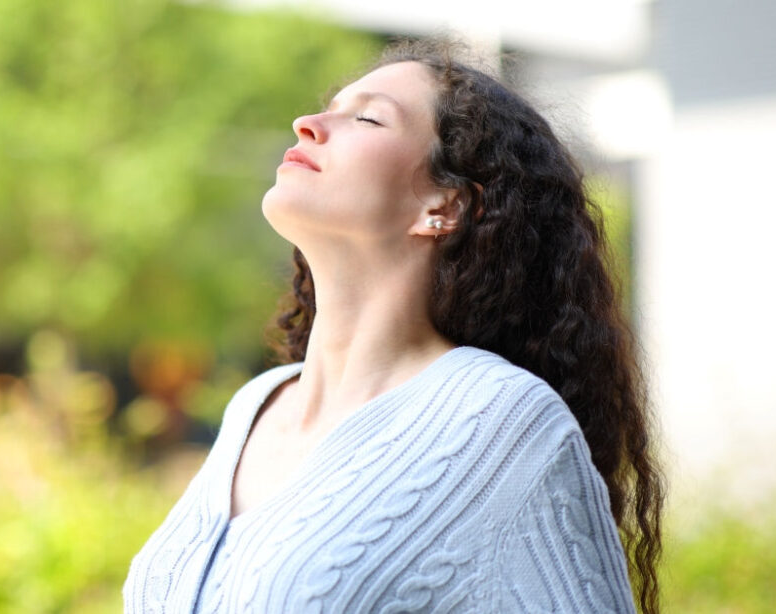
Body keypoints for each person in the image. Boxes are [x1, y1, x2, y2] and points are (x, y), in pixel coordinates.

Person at [124, 37, 663, 614]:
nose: (307, 123)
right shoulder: (254, 406)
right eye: (327, 106)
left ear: (445, 206)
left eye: (366, 117)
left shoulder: (502, 423)